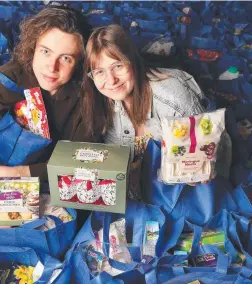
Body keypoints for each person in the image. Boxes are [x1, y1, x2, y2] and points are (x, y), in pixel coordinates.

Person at [0, 6, 101, 229]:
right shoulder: (8, 80)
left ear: (79, 63)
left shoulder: (87, 96)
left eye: (66, 58)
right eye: (45, 51)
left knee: (87, 198)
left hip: (47, 176)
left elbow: (79, 161)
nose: (51, 67)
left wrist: (23, 174)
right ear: (33, 47)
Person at [80, 24, 232, 199]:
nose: (111, 80)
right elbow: (117, 157)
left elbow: (214, 151)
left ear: (133, 61)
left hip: (185, 194)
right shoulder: (105, 99)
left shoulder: (173, 97)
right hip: (146, 190)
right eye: (99, 71)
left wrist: (201, 169)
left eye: (118, 66)